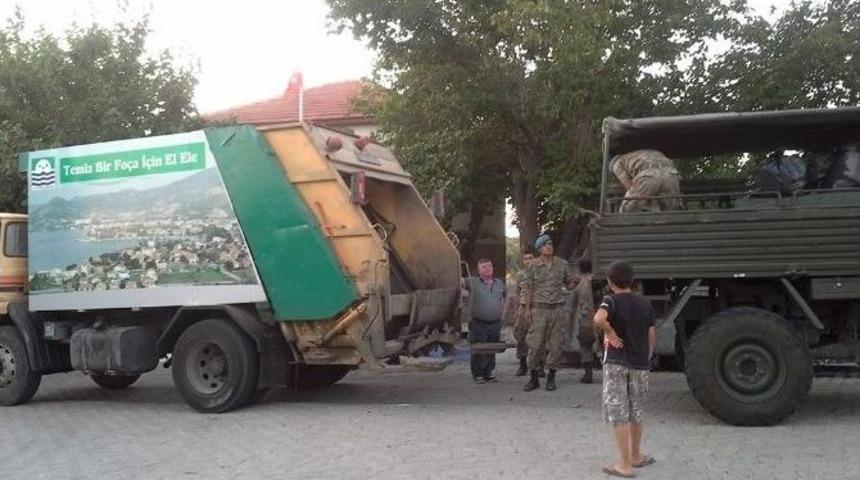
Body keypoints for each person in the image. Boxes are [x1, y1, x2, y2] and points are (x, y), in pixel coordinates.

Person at [593, 261, 657, 478]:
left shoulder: (610, 300)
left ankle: (624, 464)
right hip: (640, 364)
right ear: (633, 282)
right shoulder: (645, 303)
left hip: (617, 364)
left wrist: (609, 331)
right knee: (636, 411)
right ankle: (636, 455)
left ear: (610, 282)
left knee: (619, 414)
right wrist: (647, 356)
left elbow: (598, 319)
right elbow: (651, 334)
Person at [522, 234, 575, 392]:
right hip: (539, 309)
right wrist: (526, 309)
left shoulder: (562, 264)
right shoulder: (533, 266)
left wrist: (576, 282)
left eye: (551, 243)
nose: (549, 246)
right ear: (539, 248)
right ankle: (533, 378)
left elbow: (569, 284)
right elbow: (528, 288)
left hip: (557, 309)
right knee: (535, 345)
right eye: (545, 244)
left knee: (556, 345)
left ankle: (551, 377)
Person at [466, 258, 507, 384]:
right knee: (479, 349)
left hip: (495, 323)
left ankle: (488, 373)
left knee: (491, 349)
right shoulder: (472, 283)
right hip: (478, 322)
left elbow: (506, 297)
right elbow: (458, 283)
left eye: (489, 266)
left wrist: (503, 313)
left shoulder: (499, 283)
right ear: (479, 270)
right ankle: (477, 374)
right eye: (484, 267)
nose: (487, 269)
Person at [611, 149, 681, 213]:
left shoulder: (617, 164)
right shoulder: (640, 154)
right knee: (671, 209)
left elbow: (628, 185)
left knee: (628, 207)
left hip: (649, 175)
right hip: (672, 175)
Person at [571, 257, 597, 384]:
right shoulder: (598, 281)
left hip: (586, 322)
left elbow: (572, 306)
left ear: (580, 269)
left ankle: (588, 374)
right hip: (603, 318)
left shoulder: (579, 286)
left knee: (586, 346)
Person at [513, 249, 536, 376]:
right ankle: (522, 365)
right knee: (521, 336)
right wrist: (517, 311)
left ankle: (539, 366)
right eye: (526, 259)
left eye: (530, 258)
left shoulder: (541, 273)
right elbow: (517, 292)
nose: (528, 261)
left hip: (536, 307)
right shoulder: (520, 275)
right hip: (522, 307)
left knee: (539, 337)